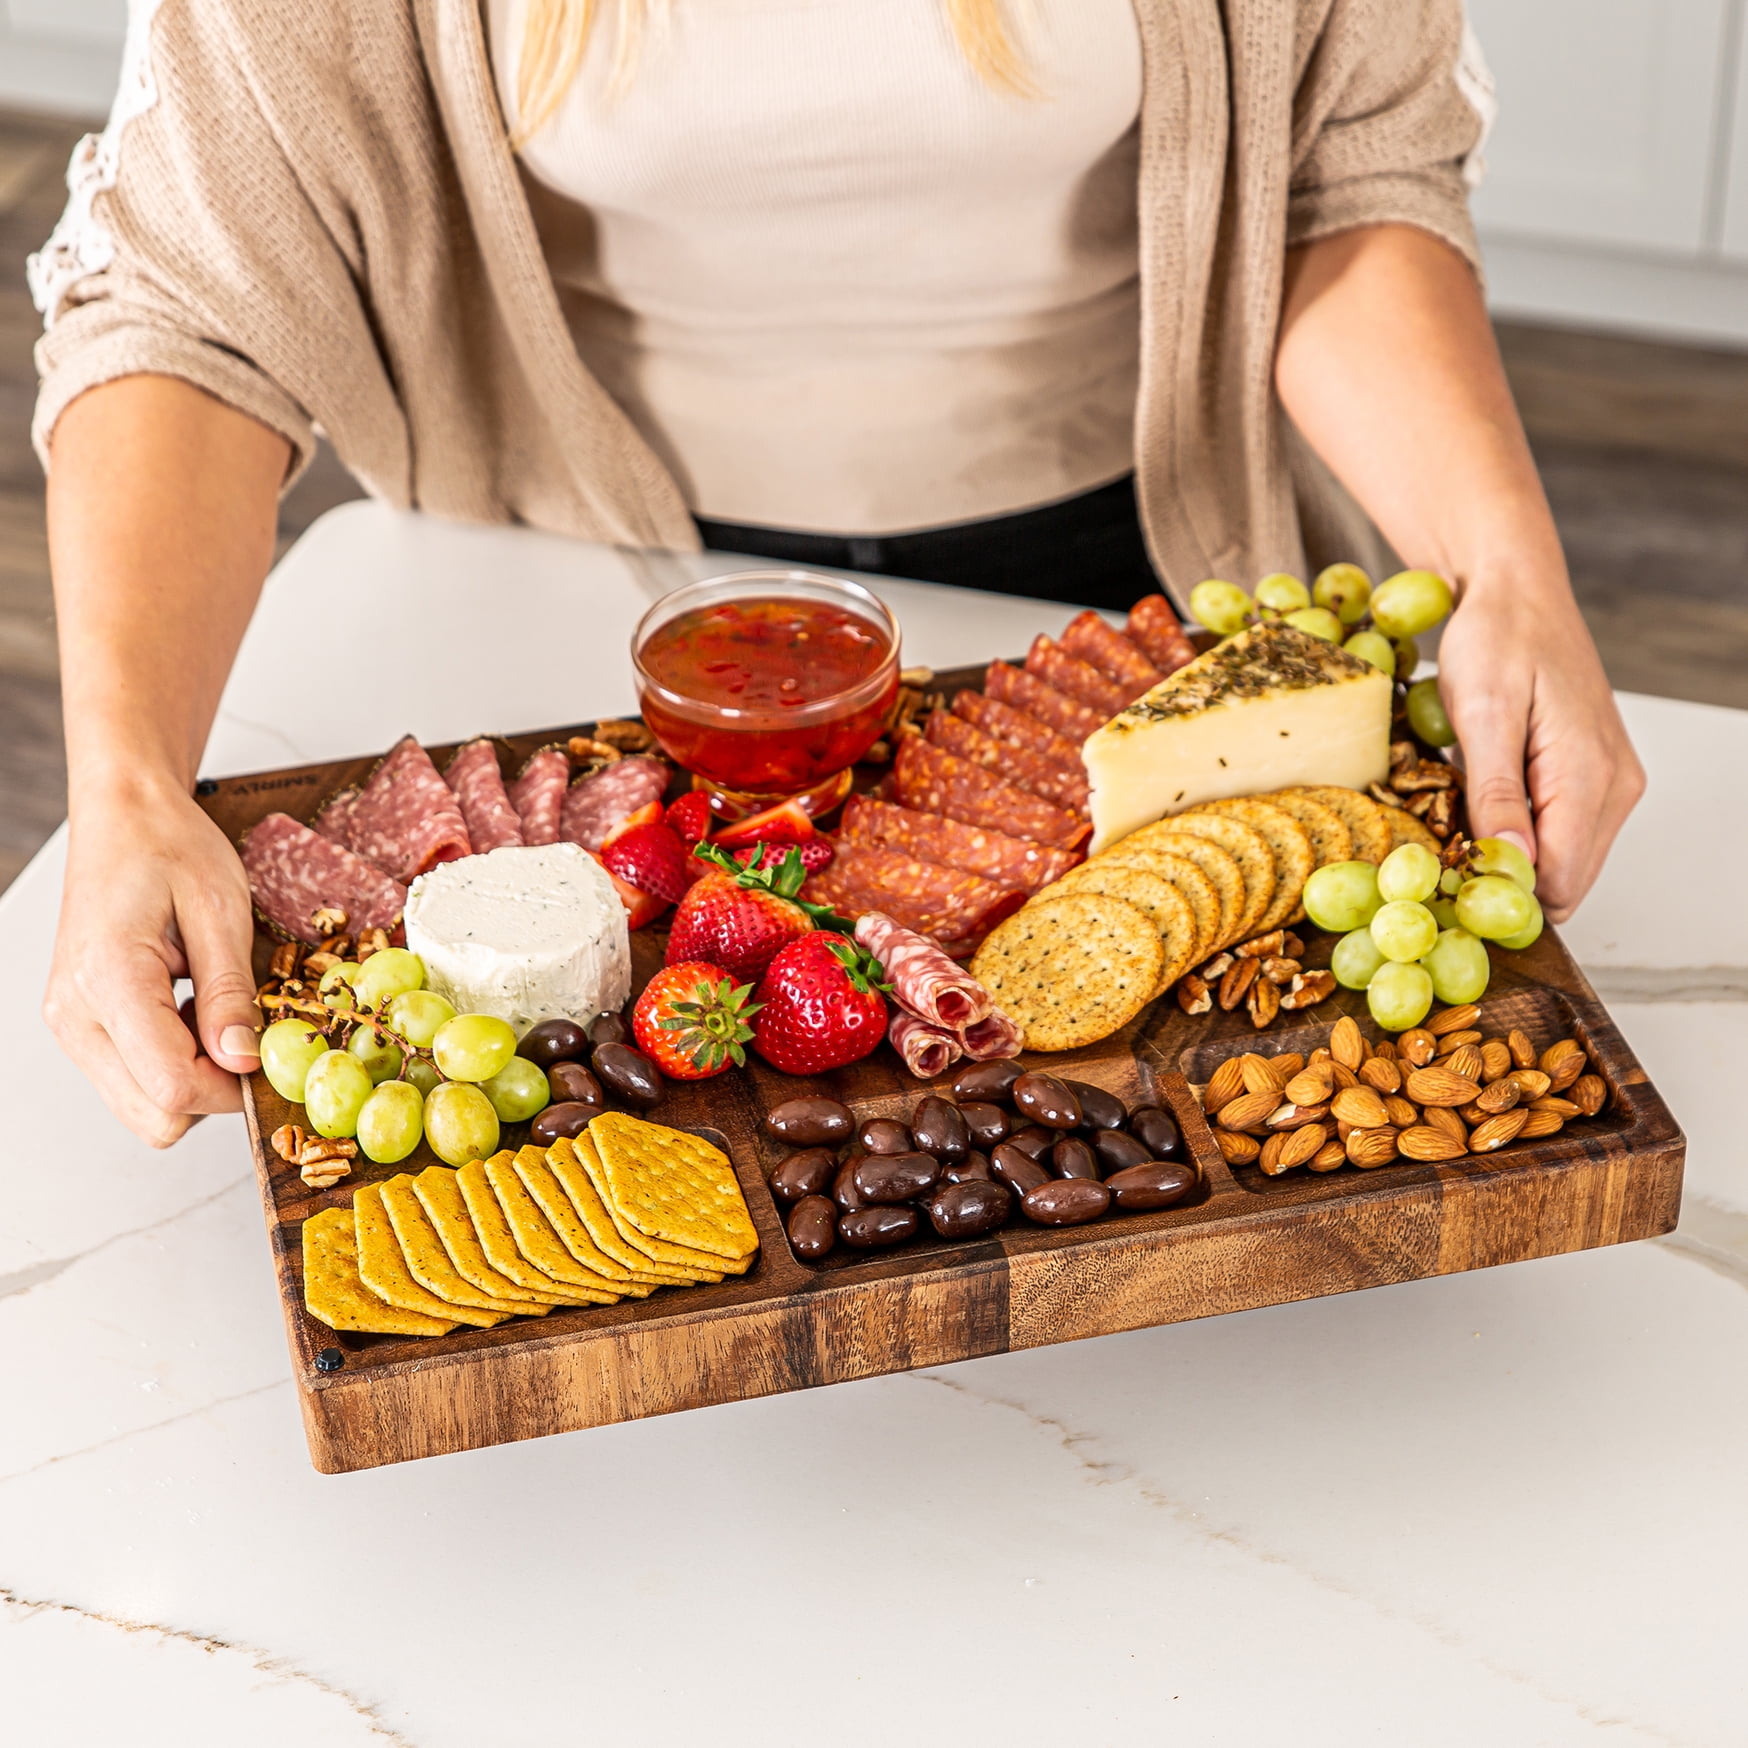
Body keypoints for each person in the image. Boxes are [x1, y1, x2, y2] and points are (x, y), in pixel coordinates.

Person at [30, 0, 1642, 1147]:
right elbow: (189, 312)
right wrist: (126, 781)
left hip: (1136, 585)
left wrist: (1504, 571)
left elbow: (1348, 189)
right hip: (584, 606)